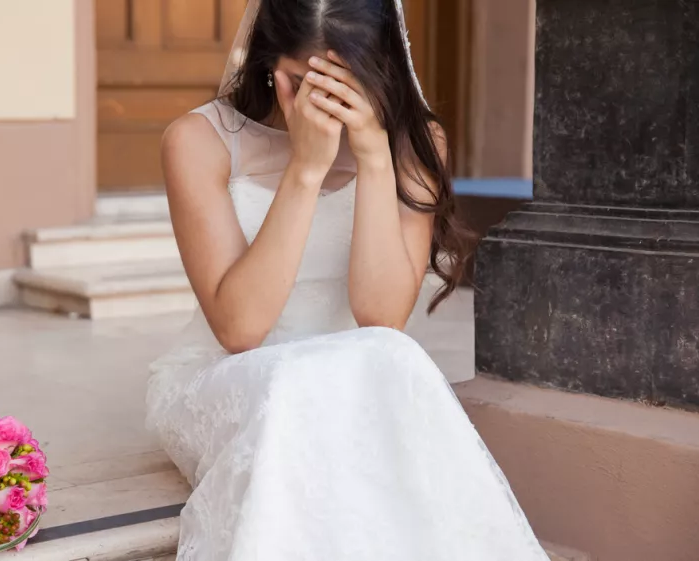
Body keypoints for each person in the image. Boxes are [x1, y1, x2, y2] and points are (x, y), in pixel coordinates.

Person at [145, 0, 550, 559]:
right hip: (242, 378)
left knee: (394, 357)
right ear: (269, 64)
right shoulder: (199, 140)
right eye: (305, 84)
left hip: (361, 376)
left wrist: (375, 158)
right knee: (303, 385)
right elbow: (241, 329)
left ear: (381, 70)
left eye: (347, 87)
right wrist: (305, 169)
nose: (326, 108)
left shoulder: (416, 141)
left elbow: (381, 318)